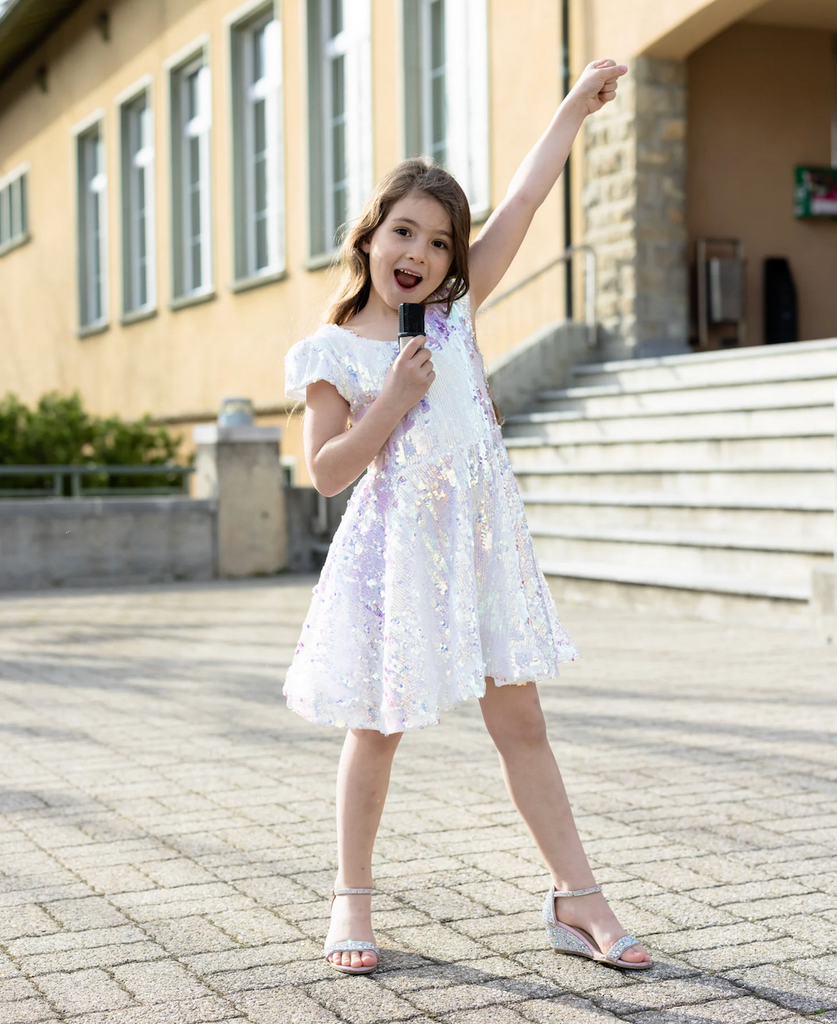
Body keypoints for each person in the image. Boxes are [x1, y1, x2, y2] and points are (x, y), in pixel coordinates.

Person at [283, 58, 652, 975]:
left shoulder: (452, 318)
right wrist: (389, 405)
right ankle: (351, 901)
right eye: (404, 230)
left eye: (441, 242)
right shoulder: (331, 350)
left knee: (521, 722)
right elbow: (327, 473)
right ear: (369, 236)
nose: (421, 252)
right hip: (393, 559)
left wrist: (571, 106)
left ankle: (578, 898)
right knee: (375, 728)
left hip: (481, 550)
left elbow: (525, 201)